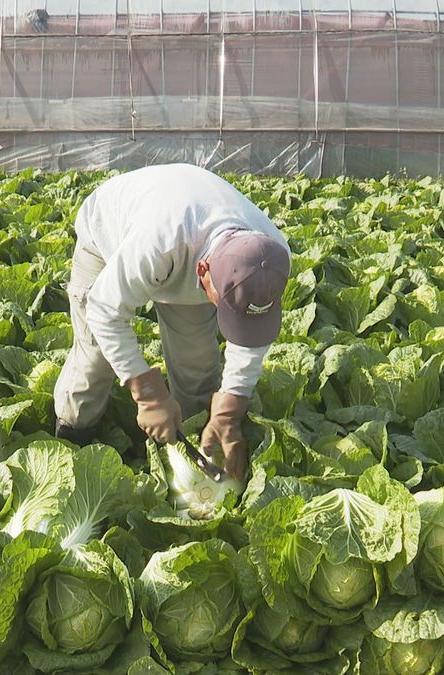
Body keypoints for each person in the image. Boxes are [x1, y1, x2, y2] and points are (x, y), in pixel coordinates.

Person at [53, 163, 292, 480]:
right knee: (95, 357)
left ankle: (194, 449)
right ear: (204, 273)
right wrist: (148, 394)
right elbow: (104, 310)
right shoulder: (159, 242)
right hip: (109, 234)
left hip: (185, 247)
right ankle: (72, 437)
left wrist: (228, 413)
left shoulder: (273, 256)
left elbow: (251, 339)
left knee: (197, 358)